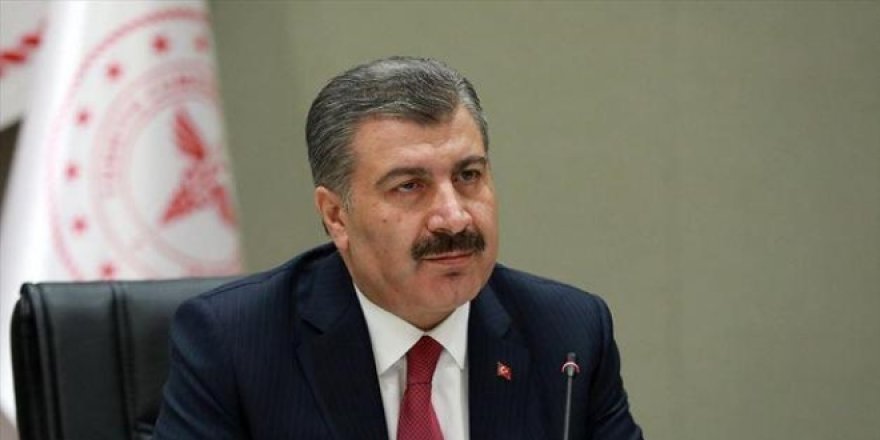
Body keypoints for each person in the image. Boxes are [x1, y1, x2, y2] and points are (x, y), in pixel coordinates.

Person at [154, 56, 643, 440]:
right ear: (336, 215)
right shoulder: (235, 343)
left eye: (468, 175)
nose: (454, 216)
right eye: (409, 186)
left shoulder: (567, 334)